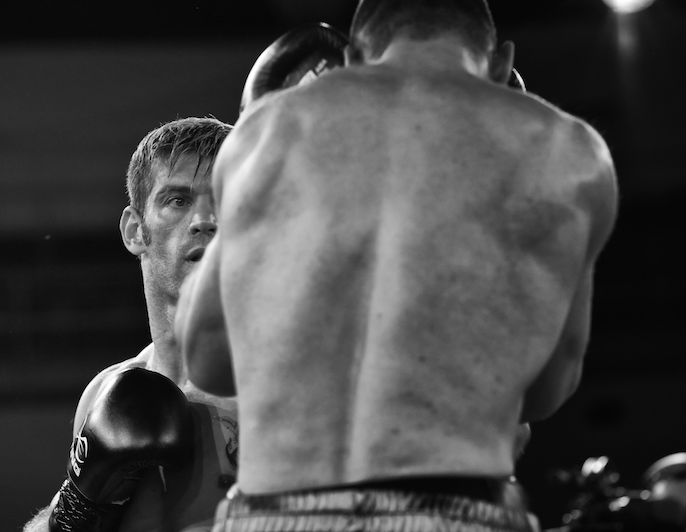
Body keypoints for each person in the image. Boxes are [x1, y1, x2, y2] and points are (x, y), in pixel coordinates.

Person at [175, 0, 619, 531]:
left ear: (358, 54)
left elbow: (206, 360)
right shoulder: (570, 153)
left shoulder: (269, 132)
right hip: (458, 511)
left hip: (276, 511)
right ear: (501, 63)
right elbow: (548, 391)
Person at [24, 116, 237, 532]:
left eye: (226, 199)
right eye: (178, 200)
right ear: (135, 231)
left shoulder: (289, 391)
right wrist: (73, 510)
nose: (205, 219)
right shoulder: (106, 394)